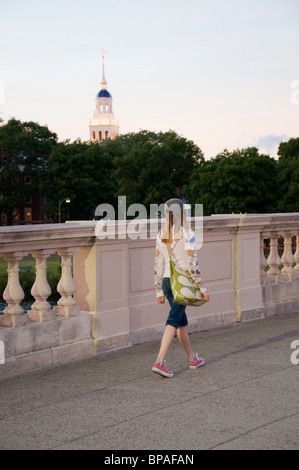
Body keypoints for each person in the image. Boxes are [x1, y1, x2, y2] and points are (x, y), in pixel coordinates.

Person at [152, 198, 210, 378]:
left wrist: (159, 290)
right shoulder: (188, 234)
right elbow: (192, 265)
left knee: (181, 323)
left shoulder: (161, 234)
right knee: (173, 321)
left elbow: (158, 263)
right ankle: (159, 362)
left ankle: (192, 358)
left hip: (167, 283)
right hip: (182, 284)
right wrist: (202, 287)